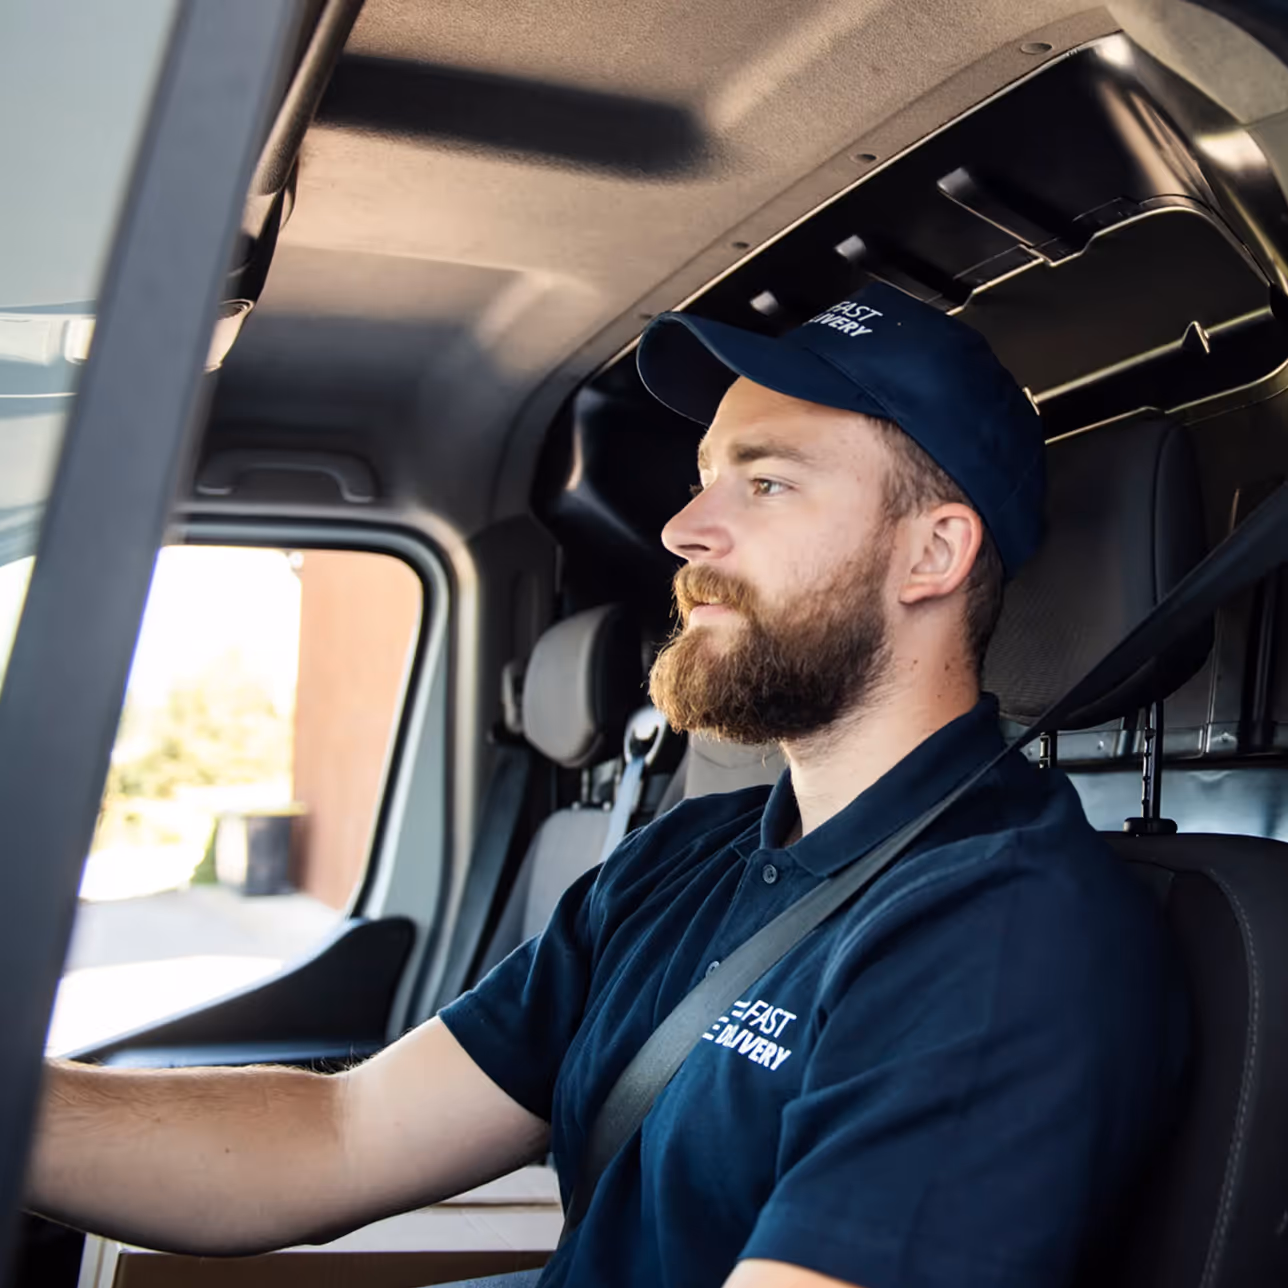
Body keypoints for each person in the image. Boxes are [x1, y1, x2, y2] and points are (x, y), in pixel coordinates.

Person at [27, 282, 1187, 1288]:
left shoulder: (999, 933)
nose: (685, 528)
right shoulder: (688, 856)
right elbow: (344, 1132)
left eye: (766, 483)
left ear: (931, 554)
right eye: (701, 480)